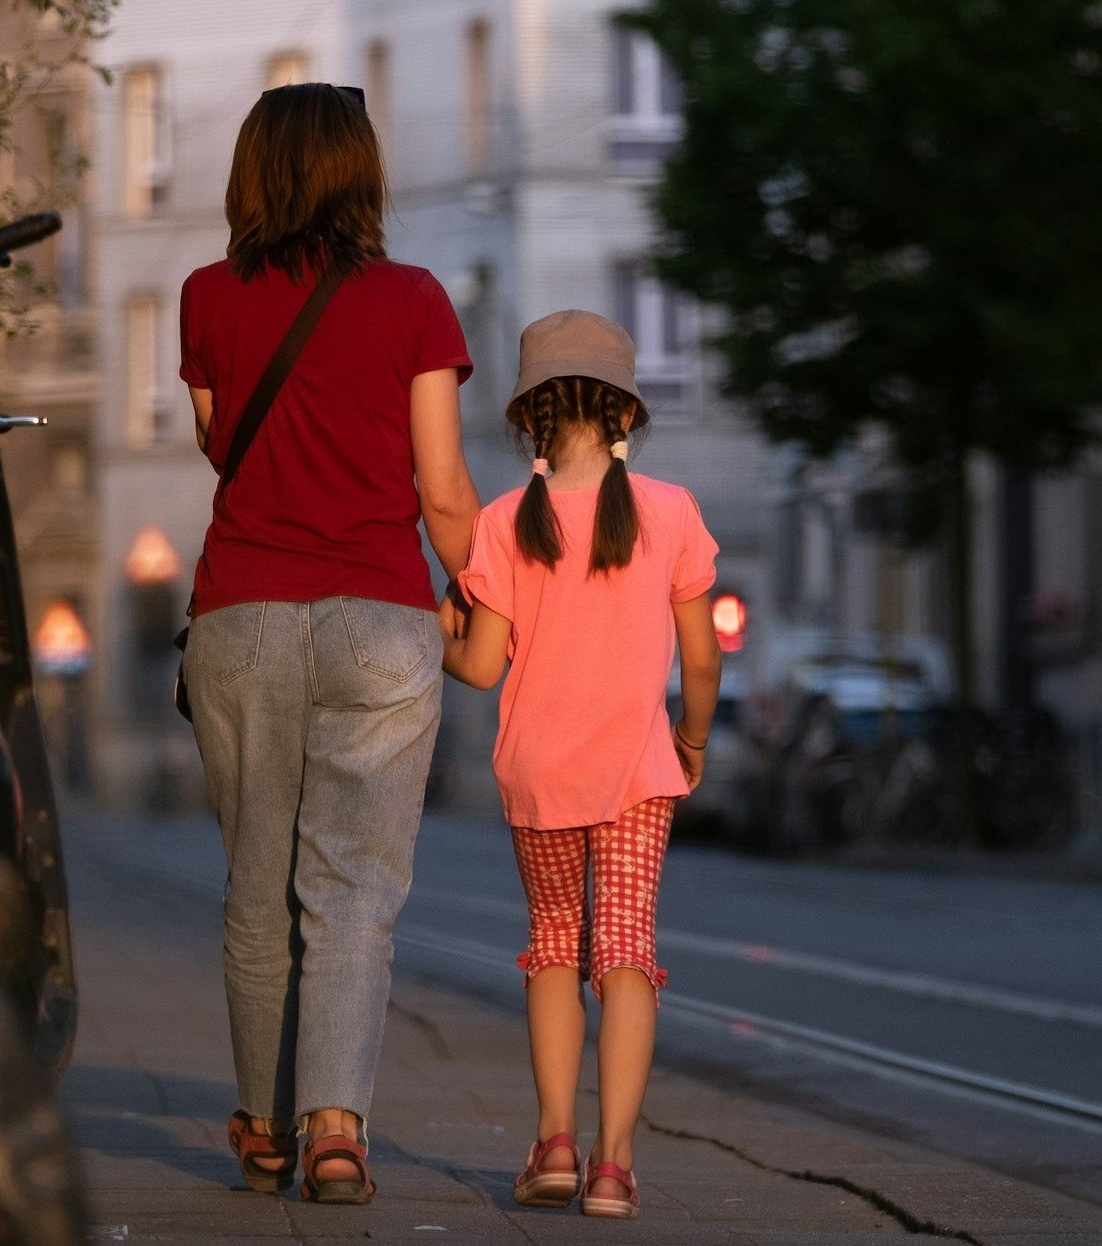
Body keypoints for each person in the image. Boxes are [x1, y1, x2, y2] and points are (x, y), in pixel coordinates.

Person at [178, 83, 480, 1203]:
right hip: (383, 618)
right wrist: (485, 599)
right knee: (353, 888)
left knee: (256, 882)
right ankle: (340, 1128)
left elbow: (223, 449)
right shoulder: (414, 302)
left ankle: (261, 1121)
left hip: (242, 611)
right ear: (363, 171)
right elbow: (443, 491)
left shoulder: (206, 296)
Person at [440, 310, 723, 1220]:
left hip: (538, 775)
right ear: (625, 417)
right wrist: (693, 741)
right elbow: (703, 660)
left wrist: (437, 630)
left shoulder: (500, 523)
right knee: (627, 952)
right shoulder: (672, 513)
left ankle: (553, 1141)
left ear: (529, 422)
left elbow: (482, 667)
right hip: (637, 772)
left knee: (555, 950)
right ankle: (614, 1165)